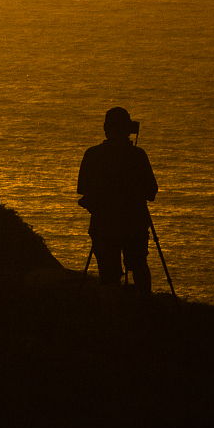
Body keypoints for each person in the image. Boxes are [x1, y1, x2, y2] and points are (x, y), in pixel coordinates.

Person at [78, 106, 159, 293]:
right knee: (138, 265)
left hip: (103, 225)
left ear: (106, 129)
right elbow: (151, 192)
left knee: (108, 275)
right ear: (128, 129)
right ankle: (143, 308)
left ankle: (110, 315)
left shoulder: (93, 155)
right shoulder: (138, 156)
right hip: (134, 224)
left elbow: (84, 191)